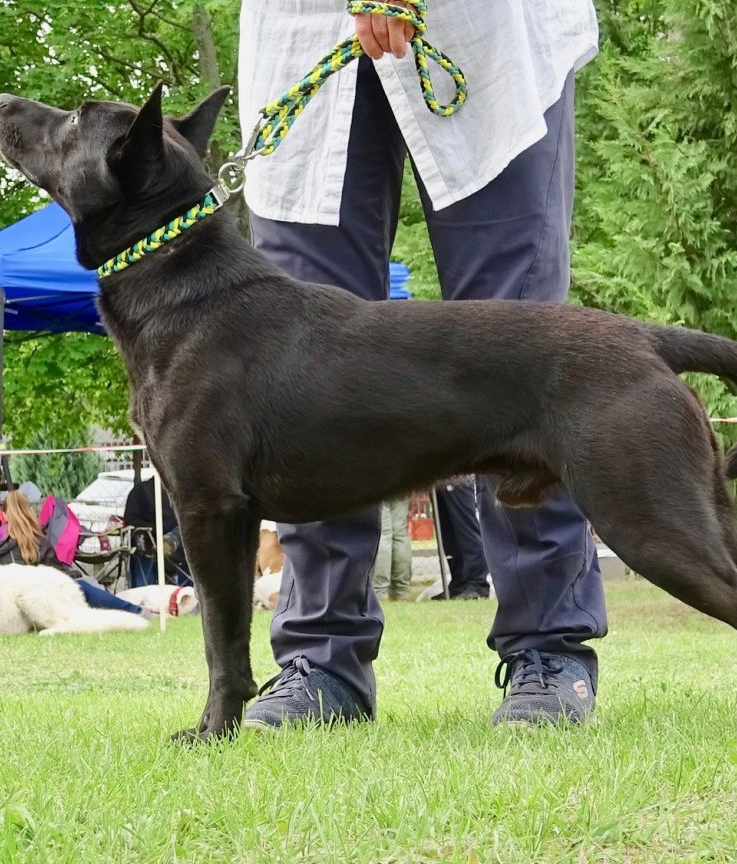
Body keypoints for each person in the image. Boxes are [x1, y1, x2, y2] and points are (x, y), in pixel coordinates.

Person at [238, 0, 607, 727]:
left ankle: (548, 644)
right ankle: (322, 659)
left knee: (523, 357)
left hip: (492, 29)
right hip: (300, 33)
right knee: (302, 374)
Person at [0, 485, 150, 619]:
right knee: (82, 586)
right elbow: (58, 574)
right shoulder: (37, 541)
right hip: (41, 595)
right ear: (29, 510)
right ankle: (135, 611)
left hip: (7, 600)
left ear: (3, 513)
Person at [121, 475, 187, 588]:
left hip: (181, 547)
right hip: (150, 543)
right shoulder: (141, 491)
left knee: (187, 529)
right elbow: (130, 520)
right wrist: (155, 529)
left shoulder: (182, 491)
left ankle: (172, 540)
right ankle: (169, 541)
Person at [433, 475, 487, 599]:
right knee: (448, 533)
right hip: (438, 476)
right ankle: (459, 582)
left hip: (458, 476)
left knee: (466, 529)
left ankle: (477, 583)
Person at [373, 494, 411, 601]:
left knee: (383, 534)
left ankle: (379, 592)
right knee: (400, 535)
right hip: (402, 481)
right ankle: (401, 591)